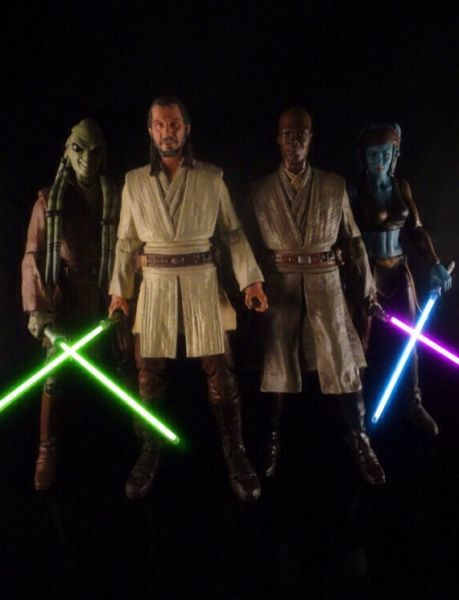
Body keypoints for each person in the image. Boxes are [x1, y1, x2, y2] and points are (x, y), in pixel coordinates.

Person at [109, 95, 268, 502]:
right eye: (160, 125)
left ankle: (235, 451)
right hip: (155, 285)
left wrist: (250, 282)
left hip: (202, 281)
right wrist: (120, 292)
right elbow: (126, 242)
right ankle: (150, 448)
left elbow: (233, 233)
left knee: (221, 371)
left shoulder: (211, 178)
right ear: (150, 130)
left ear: (187, 128)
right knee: (147, 375)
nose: (167, 132)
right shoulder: (134, 182)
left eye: (174, 124)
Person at [245, 107, 385, 485]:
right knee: (276, 366)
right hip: (281, 289)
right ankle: (271, 439)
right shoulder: (260, 191)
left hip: (327, 285)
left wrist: (367, 289)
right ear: (278, 139)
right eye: (287, 135)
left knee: (343, 365)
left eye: (301, 135)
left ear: (311, 139)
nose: (294, 142)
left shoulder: (333, 185)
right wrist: (248, 285)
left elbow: (353, 239)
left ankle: (360, 439)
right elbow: (246, 247)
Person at [22, 118, 119, 490]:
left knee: (132, 364)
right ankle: (46, 449)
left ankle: (140, 443)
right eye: (79, 149)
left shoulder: (118, 196)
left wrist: (123, 301)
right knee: (54, 372)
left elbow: (129, 249)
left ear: (104, 155)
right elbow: (33, 258)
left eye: (95, 152)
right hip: (64, 300)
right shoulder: (49, 200)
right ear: (67, 151)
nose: (87, 159)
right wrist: (42, 315)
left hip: (106, 296)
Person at [348, 123, 452, 435]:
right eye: (373, 154)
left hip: (398, 268)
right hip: (367, 272)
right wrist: (354, 280)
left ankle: (412, 402)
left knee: (411, 338)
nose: (379, 160)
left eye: (385, 153)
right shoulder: (355, 192)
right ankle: (356, 413)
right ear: (364, 157)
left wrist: (434, 263)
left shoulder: (401, 187)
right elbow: (346, 239)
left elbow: (416, 230)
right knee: (360, 343)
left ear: (394, 154)